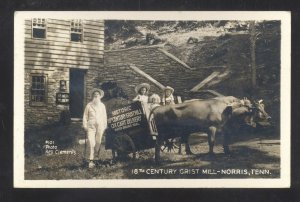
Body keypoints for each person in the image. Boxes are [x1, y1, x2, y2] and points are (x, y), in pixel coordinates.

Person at [82, 88, 107, 168]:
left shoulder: (102, 105)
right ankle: (91, 160)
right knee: (91, 141)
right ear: (92, 96)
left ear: (100, 96)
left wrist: (105, 125)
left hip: (100, 125)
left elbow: (104, 116)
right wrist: (85, 125)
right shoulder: (89, 105)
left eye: (97, 95)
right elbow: (85, 116)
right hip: (91, 125)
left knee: (98, 141)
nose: (96, 96)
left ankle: (96, 158)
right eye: (95, 95)